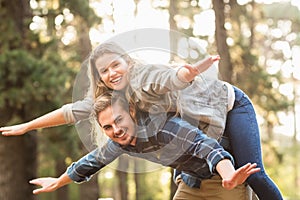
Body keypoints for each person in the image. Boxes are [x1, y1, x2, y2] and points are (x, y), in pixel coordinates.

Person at [0, 42, 283, 199]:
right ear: (98, 77)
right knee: (196, 165)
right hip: (200, 131)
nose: (111, 73)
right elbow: (71, 112)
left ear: (128, 63)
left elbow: (168, 79)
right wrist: (28, 125)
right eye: (104, 71)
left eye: (115, 65)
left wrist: (186, 74)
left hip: (230, 105)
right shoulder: (113, 103)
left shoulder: (141, 77)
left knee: (254, 174)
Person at [29, 92, 260, 199]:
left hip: (226, 181)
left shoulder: (164, 127)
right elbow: (91, 162)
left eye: (118, 120)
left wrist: (229, 176)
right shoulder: (120, 142)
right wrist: (59, 181)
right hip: (192, 184)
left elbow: (206, 146)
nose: (116, 130)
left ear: (131, 112)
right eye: (107, 127)